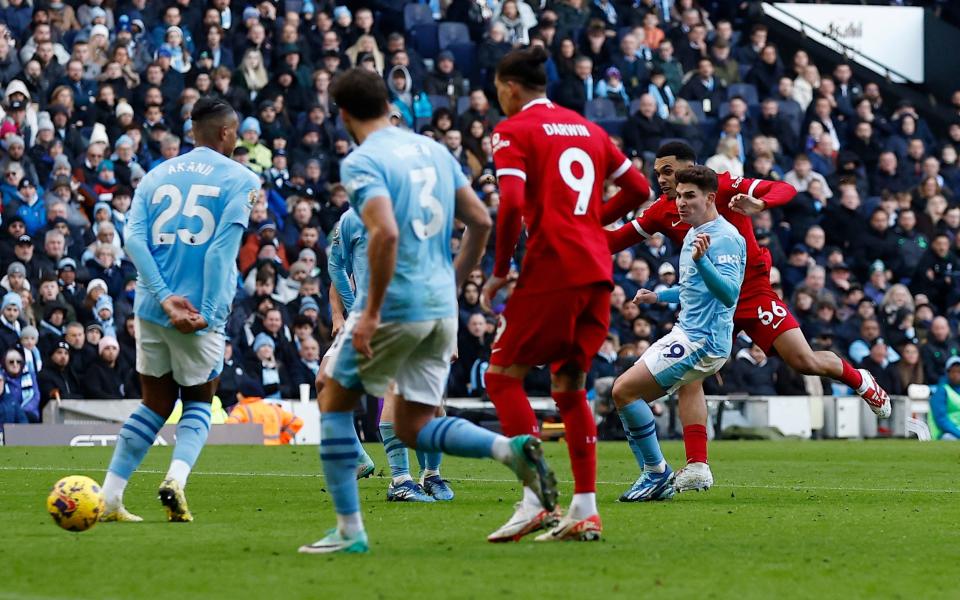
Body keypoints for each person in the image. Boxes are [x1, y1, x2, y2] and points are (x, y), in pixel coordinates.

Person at [299, 68, 556, 555]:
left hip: (395, 302)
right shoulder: (435, 151)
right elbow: (480, 221)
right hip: (440, 306)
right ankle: (510, 448)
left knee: (332, 396)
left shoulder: (362, 161)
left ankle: (349, 531)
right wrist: (453, 284)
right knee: (416, 423)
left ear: (345, 114)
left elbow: (385, 234)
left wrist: (370, 311)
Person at [606, 141, 891, 492]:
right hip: (707, 303)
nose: (662, 180)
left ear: (691, 168)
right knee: (688, 378)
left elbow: (782, 188)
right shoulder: (663, 210)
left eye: (668, 171)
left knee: (803, 361)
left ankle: (860, 379)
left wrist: (761, 203)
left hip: (751, 292)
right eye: (658, 173)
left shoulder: (722, 186)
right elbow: (615, 240)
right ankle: (697, 465)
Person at [480, 46, 651, 543]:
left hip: (552, 266)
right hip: (595, 269)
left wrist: (498, 269)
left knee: (502, 376)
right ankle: (584, 508)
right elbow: (639, 187)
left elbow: (511, 201)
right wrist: (588, 223)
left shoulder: (512, 130)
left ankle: (536, 498)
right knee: (569, 387)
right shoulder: (587, 128)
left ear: (510, 87)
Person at [99, 97, 260, 524]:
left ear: (193, 131)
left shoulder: (156, 174)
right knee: (198, 403)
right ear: (226, 133)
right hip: (198, 314)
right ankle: (175, 479)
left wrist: (164, 296)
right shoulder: (241, 179)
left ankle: (111, 496)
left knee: (153, 404)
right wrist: (203, 310)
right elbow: (220, 254)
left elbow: (133, 241)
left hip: (152, 309)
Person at [612, 166, 745, 501]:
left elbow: (729, 293)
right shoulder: (693, 233)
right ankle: (655, 474)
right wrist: (659, 296)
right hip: (686, 333)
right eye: (679, 196)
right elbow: (691, 289)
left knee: (625, 391)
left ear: (710, 198)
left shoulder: (725, 237)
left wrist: (703, 262)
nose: (681, 203)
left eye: (690, 196)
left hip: (703, 341)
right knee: (625, 394)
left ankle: (656, 473)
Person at [328, 206, 448, 501]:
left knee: (432, 403)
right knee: (327, 382)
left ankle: (430, 474)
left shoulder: (417, 211)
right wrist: (345, 311)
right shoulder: (351, 219)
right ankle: (397, 478)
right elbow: (336, 268)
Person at [225, 376, 303, 445]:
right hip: (275, 448)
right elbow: (297, 422)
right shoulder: (274, 408)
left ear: (242, 394)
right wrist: (282, 439)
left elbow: (230, 425)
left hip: (253, 450)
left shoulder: (242, 409)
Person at [929, 356, 960, 440]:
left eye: (959, 371)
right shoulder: (941, 391)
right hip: (947, 433)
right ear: (947, 373)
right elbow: (941, 420)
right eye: (953, 371)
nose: (956, 374)